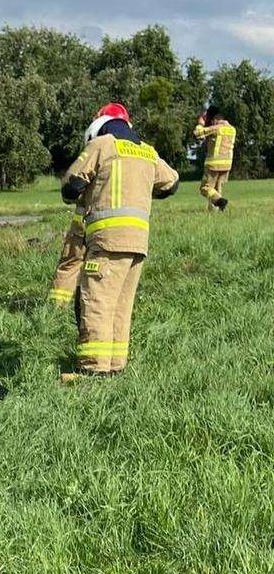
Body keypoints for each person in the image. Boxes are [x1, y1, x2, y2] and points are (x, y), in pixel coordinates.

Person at [59, 105, 179, 379]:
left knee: (97, 302)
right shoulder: (147, 151)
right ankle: (115, 365)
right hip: (138, 243)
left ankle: (93, 370)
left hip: (107, 241)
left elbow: (71, 186)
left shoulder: (102, 145)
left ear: (98, 129)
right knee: (121, 306)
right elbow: (172, 183)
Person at [48, 103, 128, 307]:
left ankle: (57, 306)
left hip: (86, 218)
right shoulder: (130, 152)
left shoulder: (98, 146)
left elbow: (72, 186)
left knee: (71, 261)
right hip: (116, 226)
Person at [193, 106, 235, 211]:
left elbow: (197, 134)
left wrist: (201, 123)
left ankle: (220, 201)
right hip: (227, 164)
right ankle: (217, 210)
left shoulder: (216, 128)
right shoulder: (232, 129)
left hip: (214, 163)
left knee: (205, 188)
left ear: (215, 119)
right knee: (217, 187)